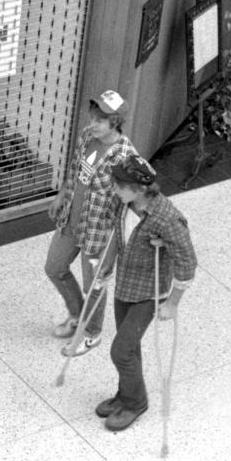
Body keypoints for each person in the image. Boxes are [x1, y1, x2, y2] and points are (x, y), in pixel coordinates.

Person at [95, 154, 196, 432]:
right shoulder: (125, 203)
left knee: (121, 351)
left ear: (138, 189)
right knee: (130, 348)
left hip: (149, 294)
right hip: (125, 285)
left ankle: (136, 402)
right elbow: (118, 235)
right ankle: (124, 395)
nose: (114, 188)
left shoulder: (166, 217)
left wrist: (172, 304)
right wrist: (106, 267)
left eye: (119, 184)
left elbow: (187, 261)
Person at [45, 90, 137, 356]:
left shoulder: (126, 157)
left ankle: (92, 333)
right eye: (92, 117)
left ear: (115, 122)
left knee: (94, 285)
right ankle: (76, 315)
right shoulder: (88, 137)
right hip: (71, 222)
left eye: (99, 120)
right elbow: (75, 169)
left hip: (99, 234)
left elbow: (135, 198)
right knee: (54, 267)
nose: (92, 123)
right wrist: (62, 195)